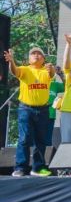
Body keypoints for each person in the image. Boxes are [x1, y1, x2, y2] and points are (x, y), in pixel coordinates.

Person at [4, 47, 55, 177]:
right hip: (26, 109)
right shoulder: (25, 69)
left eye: (39, 54)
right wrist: (11, 61)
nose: (36, 55)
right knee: (24, 138)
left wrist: (52, 69)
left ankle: (37, 168)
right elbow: (15, 71)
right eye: (33, 54)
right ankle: (20, 167)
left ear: (43, 59)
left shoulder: (46, 70)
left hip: (43, 109)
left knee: (41, 140)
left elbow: (51, 74)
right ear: (29, 58)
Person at [46, 66, 64, 147]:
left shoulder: (55, 84)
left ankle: (47, 157)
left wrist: (60, 74)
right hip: (39, 114)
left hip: (51, 115)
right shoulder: (39, 82)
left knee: (48, 138)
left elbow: (67, 85)